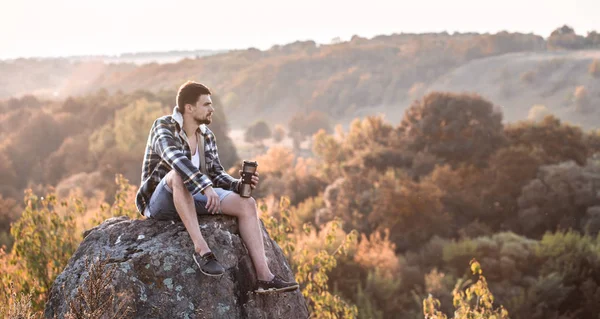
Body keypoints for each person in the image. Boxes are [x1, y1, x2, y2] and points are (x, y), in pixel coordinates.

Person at [135, 81, 298, 293]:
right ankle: (202, 251)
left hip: (193, 198)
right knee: (178, 175)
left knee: (247, 203)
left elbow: (215, 172)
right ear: (189, 108)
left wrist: (238, 185)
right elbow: (175, 160)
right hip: (161, 201)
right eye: (206, 104)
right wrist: (205, 187)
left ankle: (264, 278)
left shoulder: (206, 135)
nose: (212, 109)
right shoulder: (163, 126)